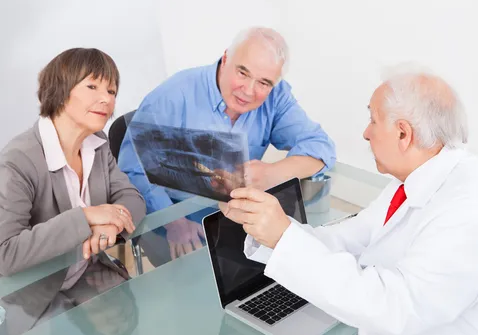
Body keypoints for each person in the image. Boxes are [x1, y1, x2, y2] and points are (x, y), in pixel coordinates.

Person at [221, 68, 478, 335]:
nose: (366, 133)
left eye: (373, 120)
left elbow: (394, 307)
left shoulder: (477, 212)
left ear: (403, 134)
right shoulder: (417, 180)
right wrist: (268, 231)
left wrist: (285, 239)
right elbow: (353, 236)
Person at [0, 48, 146, 323]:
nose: (106, 99)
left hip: (80, 274)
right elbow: (7, 254)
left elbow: (131, 197)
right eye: (92, 86)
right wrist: (87, 216)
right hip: (16, 296)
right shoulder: (19, 159)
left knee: (139, 321)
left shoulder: (96, 142)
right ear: (61, 89)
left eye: (112, 91)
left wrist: (110, 225)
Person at [118, 27, 336, 262]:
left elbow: (321, 146)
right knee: (205, 281)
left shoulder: (276, 96)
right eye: (242, 73)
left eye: (264, 82)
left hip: (237, 214)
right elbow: (131, 169)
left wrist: (273, 173)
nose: (249, 91)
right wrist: (175, 222)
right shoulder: (174, 95)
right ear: (225, 59)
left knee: (289, 261)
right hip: (173, 214)